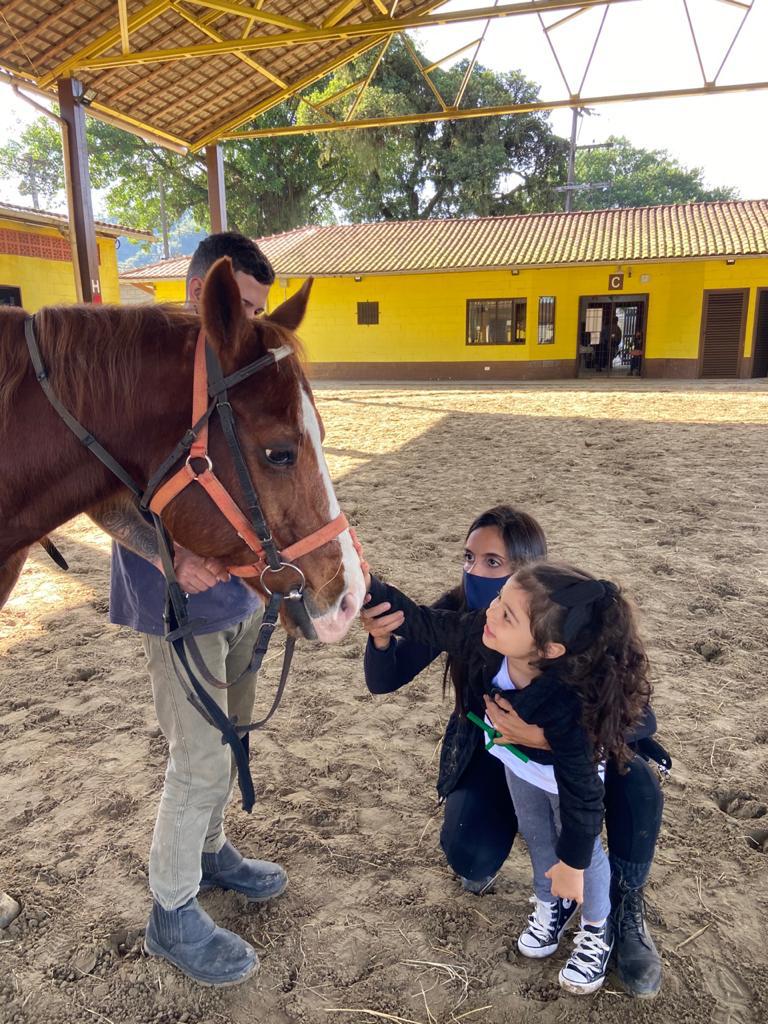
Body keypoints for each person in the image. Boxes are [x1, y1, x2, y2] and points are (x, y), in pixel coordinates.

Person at [361, 507, 666, 997]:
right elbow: (412, 633)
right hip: (506, 761)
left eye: (493, 564)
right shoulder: (484, 626)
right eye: (469, 558)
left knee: (606, 818)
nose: (474, 573)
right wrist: (361, 584)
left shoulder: (570, 640)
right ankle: (553, 906)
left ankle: (608, 920)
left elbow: (603, 766)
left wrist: (545, 740)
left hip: (568, 764)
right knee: (512, 846)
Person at [90, 233, 287, 987]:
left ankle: (210, 853)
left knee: (231, 737)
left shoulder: (236, 369)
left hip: (241, 591)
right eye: (237, 305)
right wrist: (172, 556)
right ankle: (171, 910)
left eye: (258, 310)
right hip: (174, 597)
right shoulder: (138, 378)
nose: (248, 321)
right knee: (198, 752)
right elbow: (102, 500)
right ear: (200, 287)